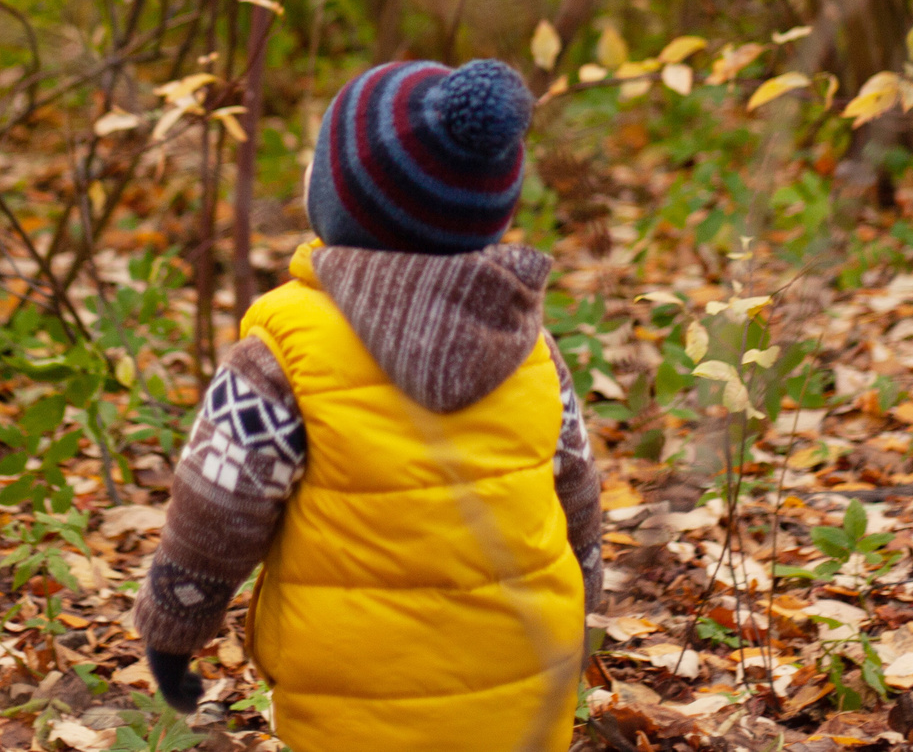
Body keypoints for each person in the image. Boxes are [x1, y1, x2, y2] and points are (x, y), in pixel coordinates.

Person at [131, 58, 603, 752]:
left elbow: (216, 509)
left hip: (351, 706)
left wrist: (172, 634)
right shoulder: (531, 347)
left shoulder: (281, 353)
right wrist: (583, 614)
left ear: (336, 194)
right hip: (528, 686)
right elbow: (578, 496)